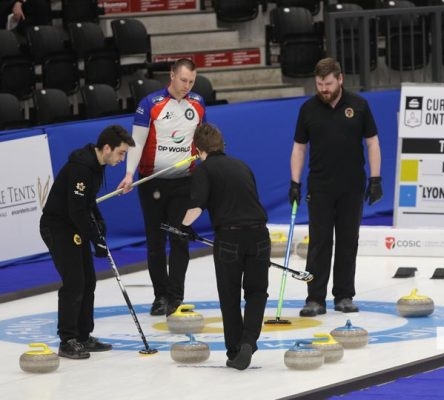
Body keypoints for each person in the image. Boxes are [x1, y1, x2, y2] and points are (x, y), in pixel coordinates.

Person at [289, 57, 382, 317]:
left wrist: (376, 179)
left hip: (352, 185)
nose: (323, 89)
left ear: (340, 79)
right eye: (319, 84)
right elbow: (299, 147)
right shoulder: (308, 109)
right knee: (318, 242)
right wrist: (294, 182)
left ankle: (344, 295)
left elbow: (372, 142)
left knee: (347, 241)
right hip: (319, 186)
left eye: (328, 84)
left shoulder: (359, 106)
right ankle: (314, 298)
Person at [117, 58, 206, 316]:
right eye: (183, 80)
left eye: (191, 81)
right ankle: (160, 296)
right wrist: (129, 173)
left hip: (184, 183)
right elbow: (137, 141)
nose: (186, 86)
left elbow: (201, 138)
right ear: (171, 75)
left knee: (179, 239)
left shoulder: (198, 103)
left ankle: (176, 297)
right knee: (156, 242)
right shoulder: (150, 104)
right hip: (151, 183)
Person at [39, 125, 135, 359]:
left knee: (88, 281)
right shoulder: (81, 168)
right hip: (58, 227)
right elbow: (76, 211)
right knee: (74, 282)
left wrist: (99, 225)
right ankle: (67, 340)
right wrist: (95, 240)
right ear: (106, 148)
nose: (122, 159)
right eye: (121, 153)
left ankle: (83, 335)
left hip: (74, 225)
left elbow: (88, 203)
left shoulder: (96, 165)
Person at [180, 123, 270, 371]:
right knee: (257, 292)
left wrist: (183, 227)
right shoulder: (242, 166)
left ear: (196, 148)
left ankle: (234, 349)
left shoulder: (203, 170)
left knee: (229, 296)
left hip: (230, 238)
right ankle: (249, 343)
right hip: (260, 235)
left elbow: (197, 205)